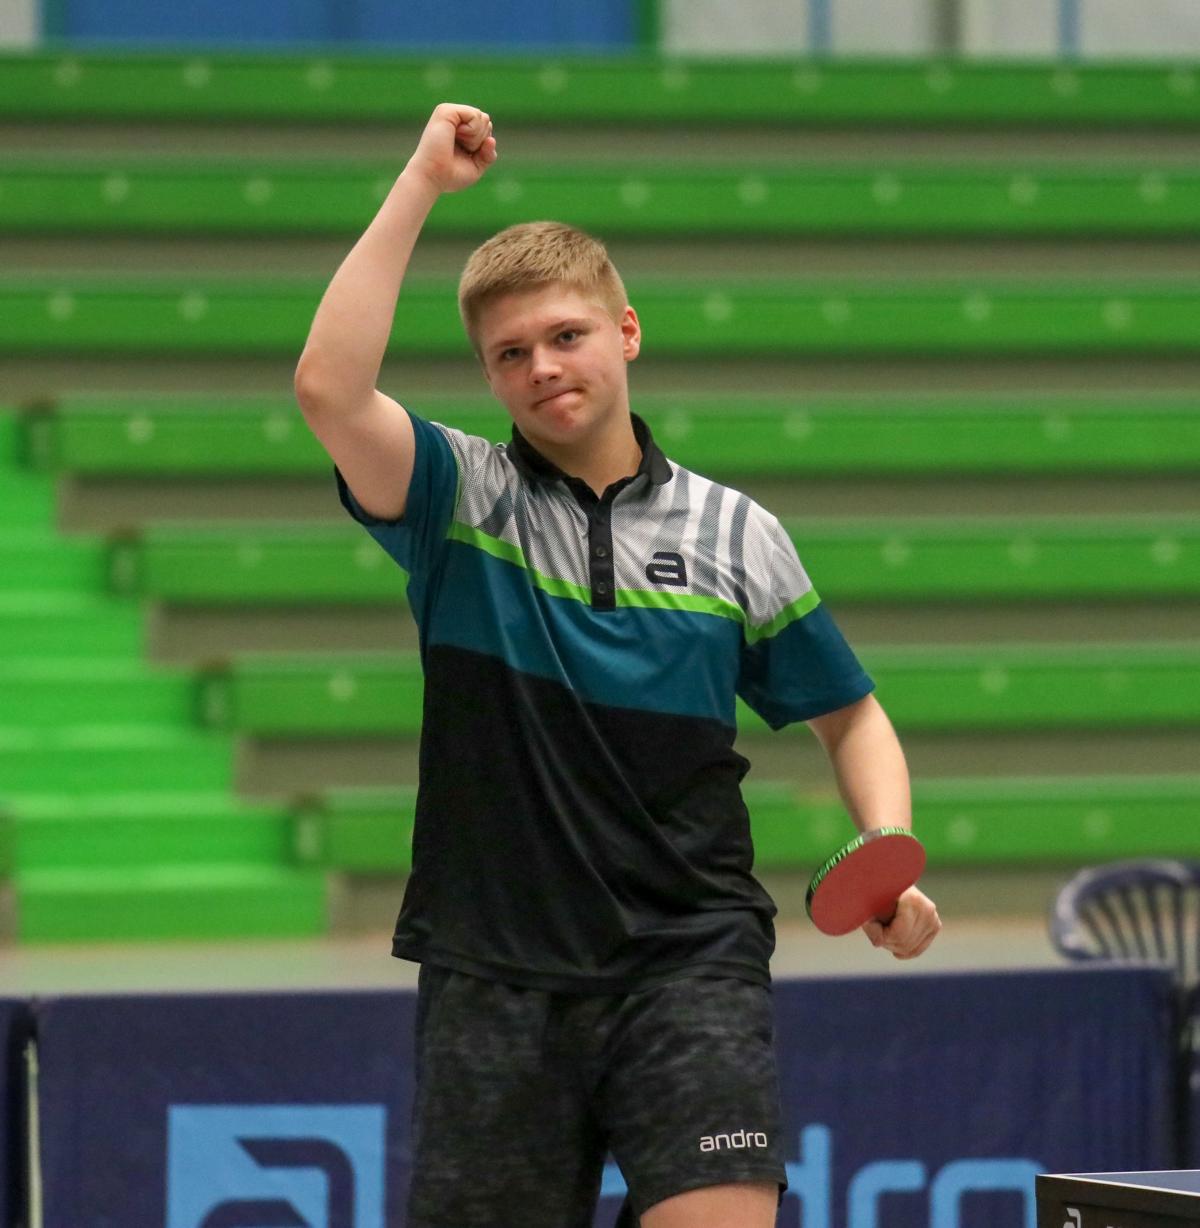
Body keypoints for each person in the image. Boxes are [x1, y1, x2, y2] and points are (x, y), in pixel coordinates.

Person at [294, 103, 942, 1228]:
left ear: (627, 332)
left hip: (690, 960)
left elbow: (852, 715)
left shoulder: (737, 533)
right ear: (489, 376)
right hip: (496, 971)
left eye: (566, 335)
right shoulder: (458, 500)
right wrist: (420, 183)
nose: (542, 367)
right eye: (510, 354)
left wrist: (887, 850)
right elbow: (328, 390)